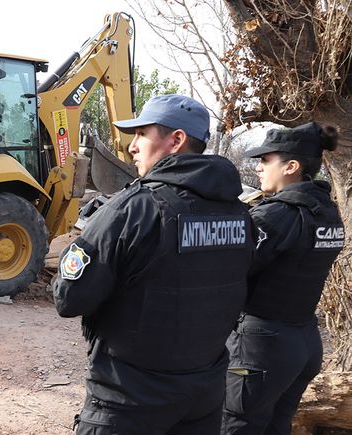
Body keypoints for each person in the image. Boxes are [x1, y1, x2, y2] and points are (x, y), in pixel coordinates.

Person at [53, 94, 254, 435]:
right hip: (202, 397)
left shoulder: (134, 209)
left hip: (128, 400)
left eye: (142, 134)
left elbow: (69, 299)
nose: (132, 147)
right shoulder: (240, 214)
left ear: (176, 140)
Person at [221, 122, 344, 435]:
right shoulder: (328, 212)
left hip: (262, 347)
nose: (258, 167)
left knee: (236, 426)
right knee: (276, 426)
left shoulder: (276, 215)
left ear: (291, 167)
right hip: (304, 343)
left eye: (266, 160)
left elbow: (227, 270)